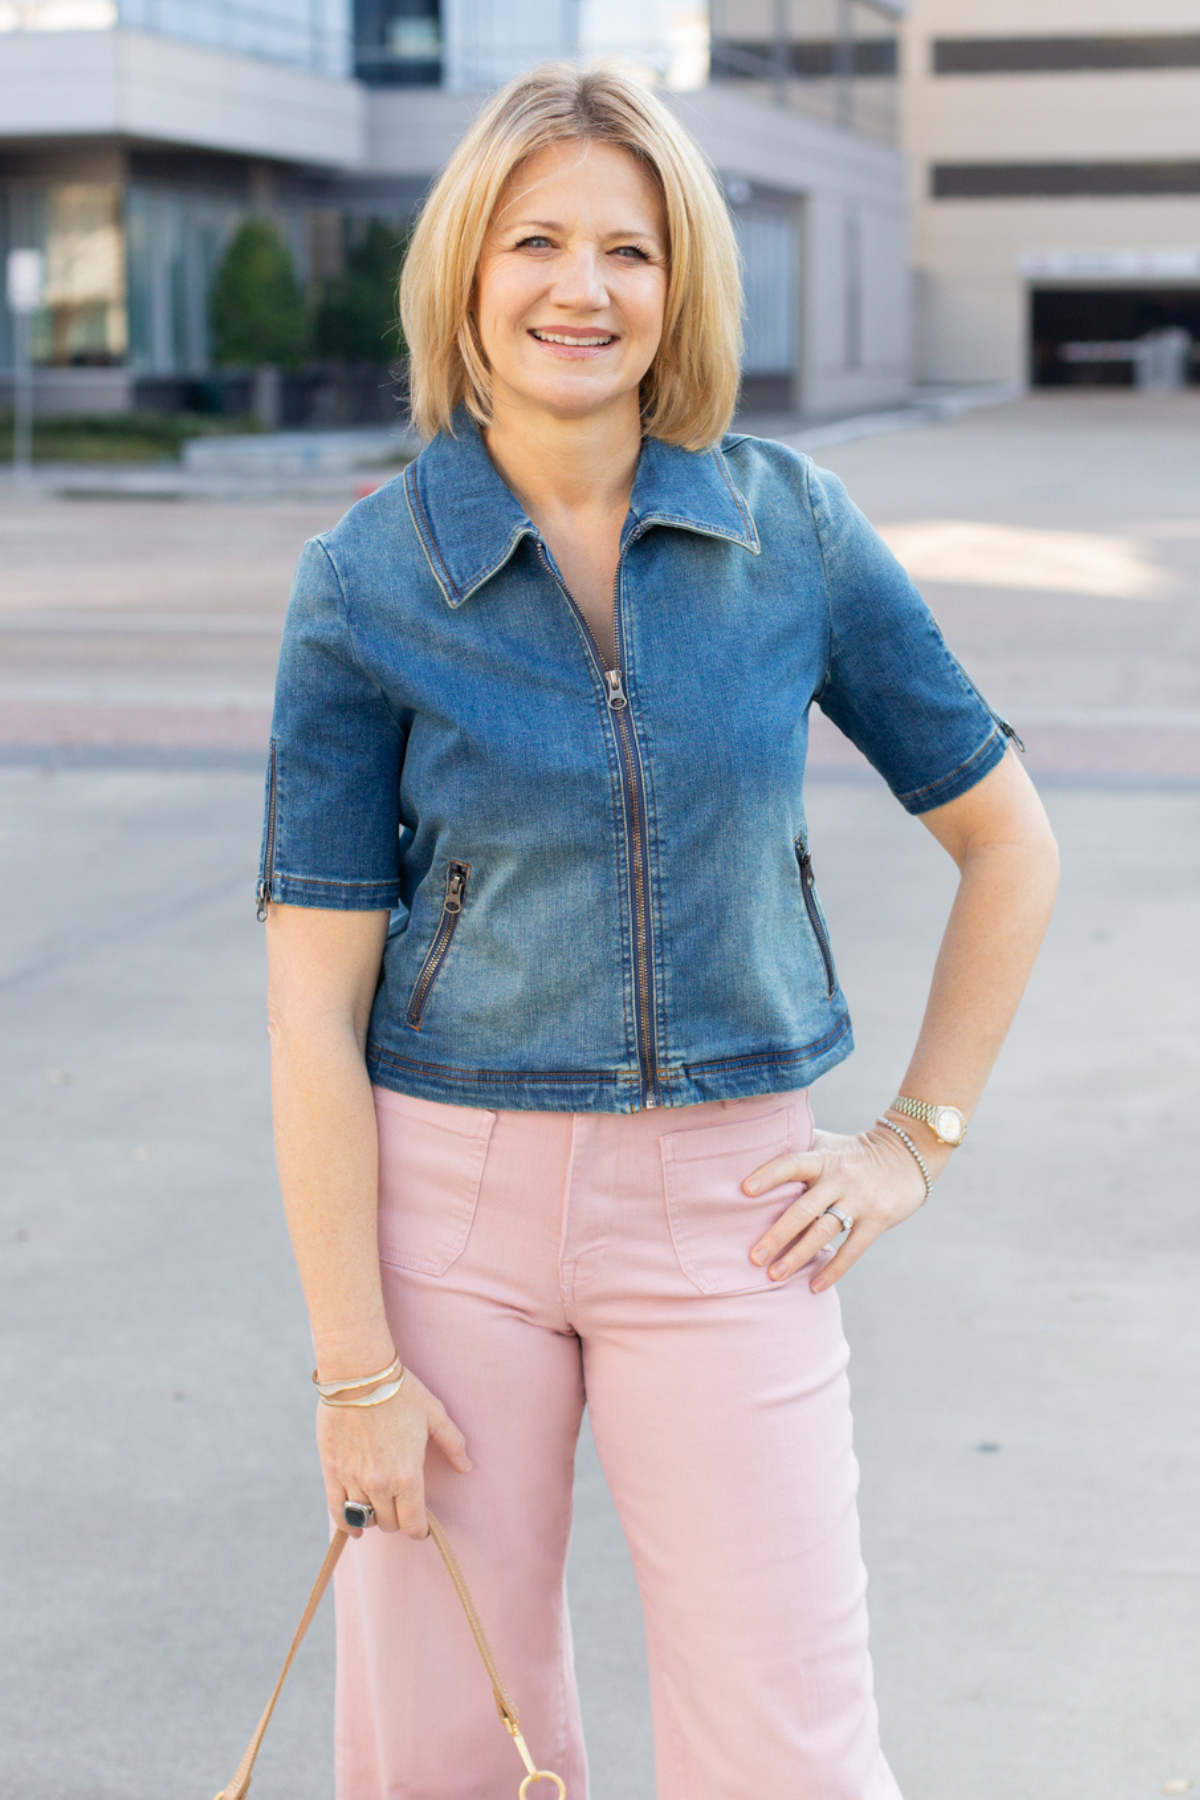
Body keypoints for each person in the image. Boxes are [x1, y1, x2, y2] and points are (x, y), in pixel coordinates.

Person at [258, 61, 1059, 1800]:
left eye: (628, 248)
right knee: (446, 1748)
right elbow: (308, 1012)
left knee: (789, 1758)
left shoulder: (792, 534)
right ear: (466, 273)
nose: (582, 287)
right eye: (536, 241)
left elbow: (1011, 846)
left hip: (737, 1212)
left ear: (678, 284)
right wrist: (352, 1370)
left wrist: (914, 1143)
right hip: (449, 1217)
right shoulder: (367, 582)